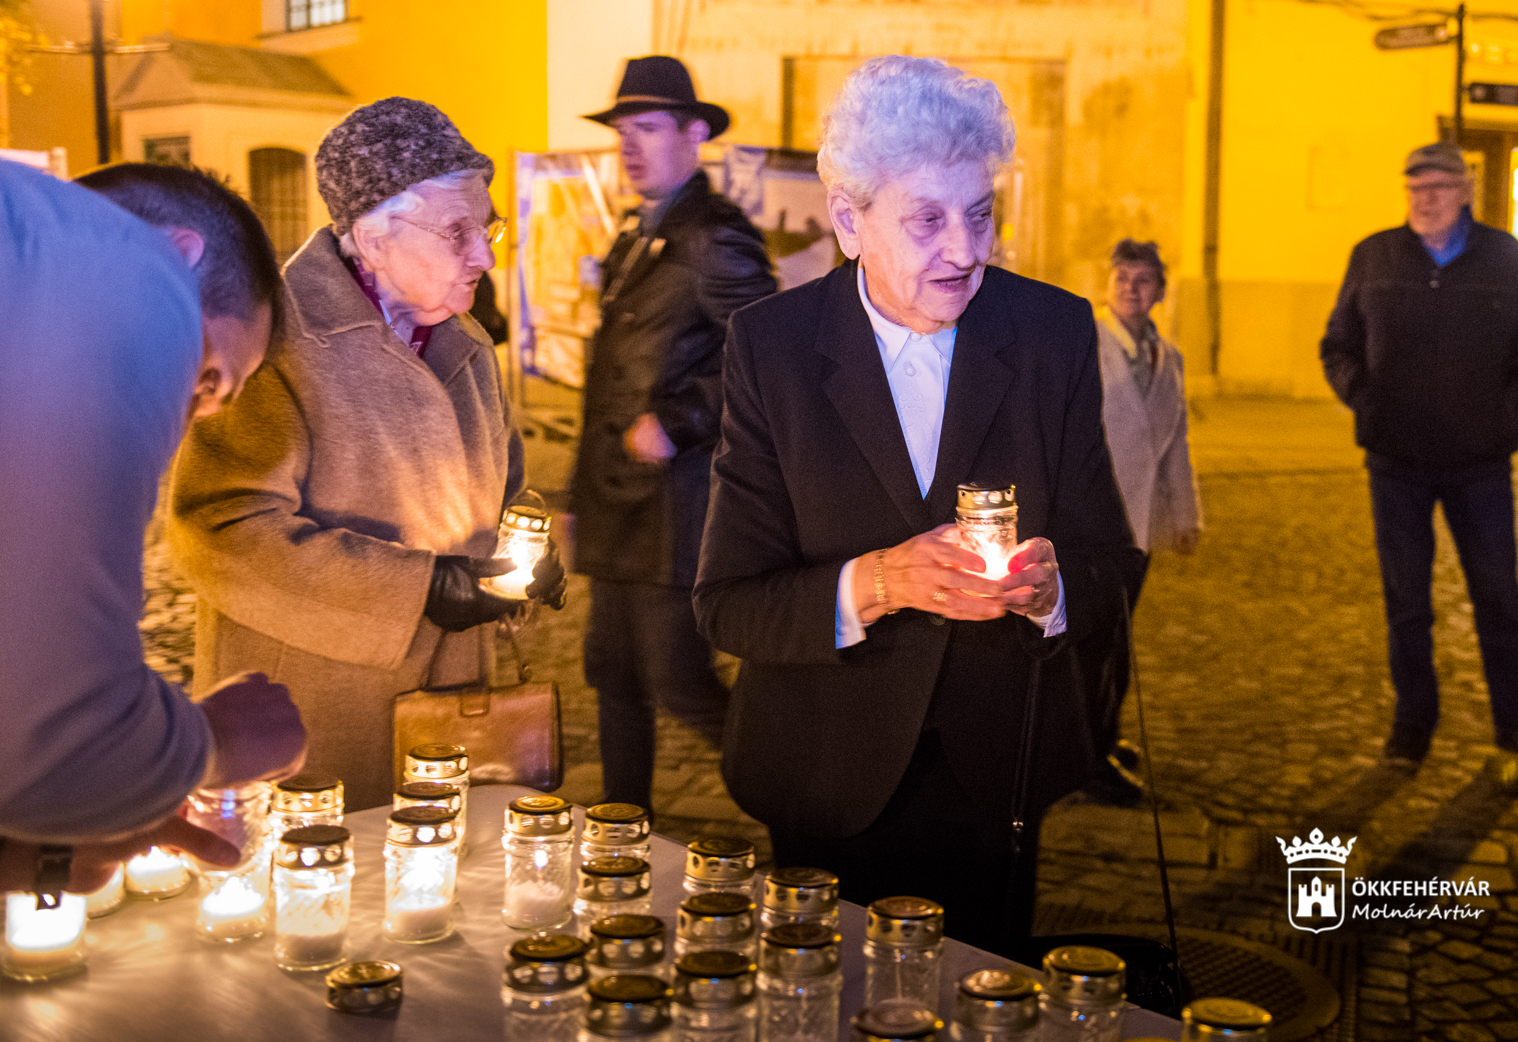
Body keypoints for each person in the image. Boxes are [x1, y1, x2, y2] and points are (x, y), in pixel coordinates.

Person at [693, 56, 1144, 956]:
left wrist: (1053, 592)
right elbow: (729, 600)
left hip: (997, 768)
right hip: (824, 768)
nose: (966, 251)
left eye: (980, 215)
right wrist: (879, 582)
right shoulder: (773, 349)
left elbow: (1113, 561)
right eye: (928, 220)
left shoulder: (1051, 333)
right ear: (850, 223)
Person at [167, 98, 564, 812]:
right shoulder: (276, 341)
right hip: (316, 714)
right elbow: (219, 530)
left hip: (450, 702)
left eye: (488, 227)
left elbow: (507, 488)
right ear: (374, 236)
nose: (485, 255)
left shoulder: (464, 341)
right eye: (458, 231)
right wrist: (418, 590)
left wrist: (522, 546)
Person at [0, 160, 306, 893]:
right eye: (206, 380)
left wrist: (22, 859)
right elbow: (58, 735)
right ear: (178, 251)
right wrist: (209, 745)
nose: (177, 427)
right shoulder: (122, 272)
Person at [1321, 141, 1518, 788]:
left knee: (1498, 597)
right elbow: (1337, 345)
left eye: (1438, 187)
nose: (1425, 199)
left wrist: (1500, 421)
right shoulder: (1374, 255)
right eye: (1414, 188)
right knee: (1408, 603)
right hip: (1396, 463)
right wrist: (1367, 404)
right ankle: (1412, 727)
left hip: (1478, 465)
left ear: (1464, 190)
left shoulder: (1507, 260)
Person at [570, 56, 777, 809]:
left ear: (694, 135)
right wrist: (574, 496)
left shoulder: (714, 237)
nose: (630, 146)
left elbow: (767, 355)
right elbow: (605, 382)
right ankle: (620, 834)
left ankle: (807, 808)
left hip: (675, 508)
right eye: (623, 131)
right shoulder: (637, 235)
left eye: (648, 129)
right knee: (613, 675)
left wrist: (681, 420)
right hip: (618, 502)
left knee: (678, 682)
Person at [1081, 238, 1201, 806]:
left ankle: (1103, 736)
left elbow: (1173, 443)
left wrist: (1185, 514)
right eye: (1121, 275)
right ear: (1107, 282)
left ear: (1159, 291)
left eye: (1143, 279)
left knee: (1117, 638)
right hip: (1094, 522)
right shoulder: (1085, 345)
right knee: (1094, 640)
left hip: (1141, 524)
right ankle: (1087, 756)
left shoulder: (1167, 356)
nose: (1131, 286)